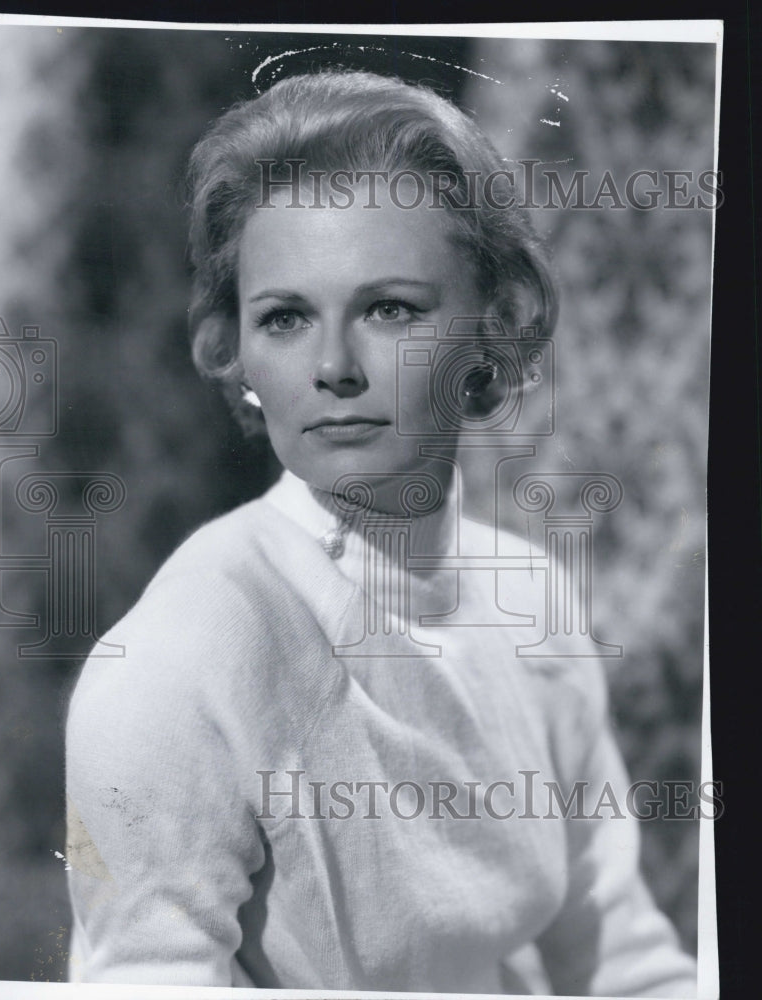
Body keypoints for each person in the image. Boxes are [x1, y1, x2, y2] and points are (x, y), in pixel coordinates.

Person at [65, 70, 698, 995]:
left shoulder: (531, 598)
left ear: (490, 331)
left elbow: (617, 955)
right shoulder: (179, 657)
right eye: (283, 318)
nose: (331, 367)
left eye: (389, 309)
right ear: (237, 354)